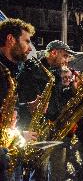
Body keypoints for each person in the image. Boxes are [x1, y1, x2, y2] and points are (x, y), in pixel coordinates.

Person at [17, 40, 75, 181]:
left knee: (47, 171)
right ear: (53, 53)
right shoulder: (33, 70)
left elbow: (55, 100)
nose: (66, 60)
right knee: (37, 171)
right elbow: (23, 101)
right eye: (65, 56)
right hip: (31, 127)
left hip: (48, 125)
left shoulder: (53, 72)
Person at [0, 18, 37, 181]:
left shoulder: (11, 69)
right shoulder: (4, 71)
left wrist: (24, 107)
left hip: (8, 148)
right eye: (26, 41)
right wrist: (19, 135)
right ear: (10, 39)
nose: (29, 48)